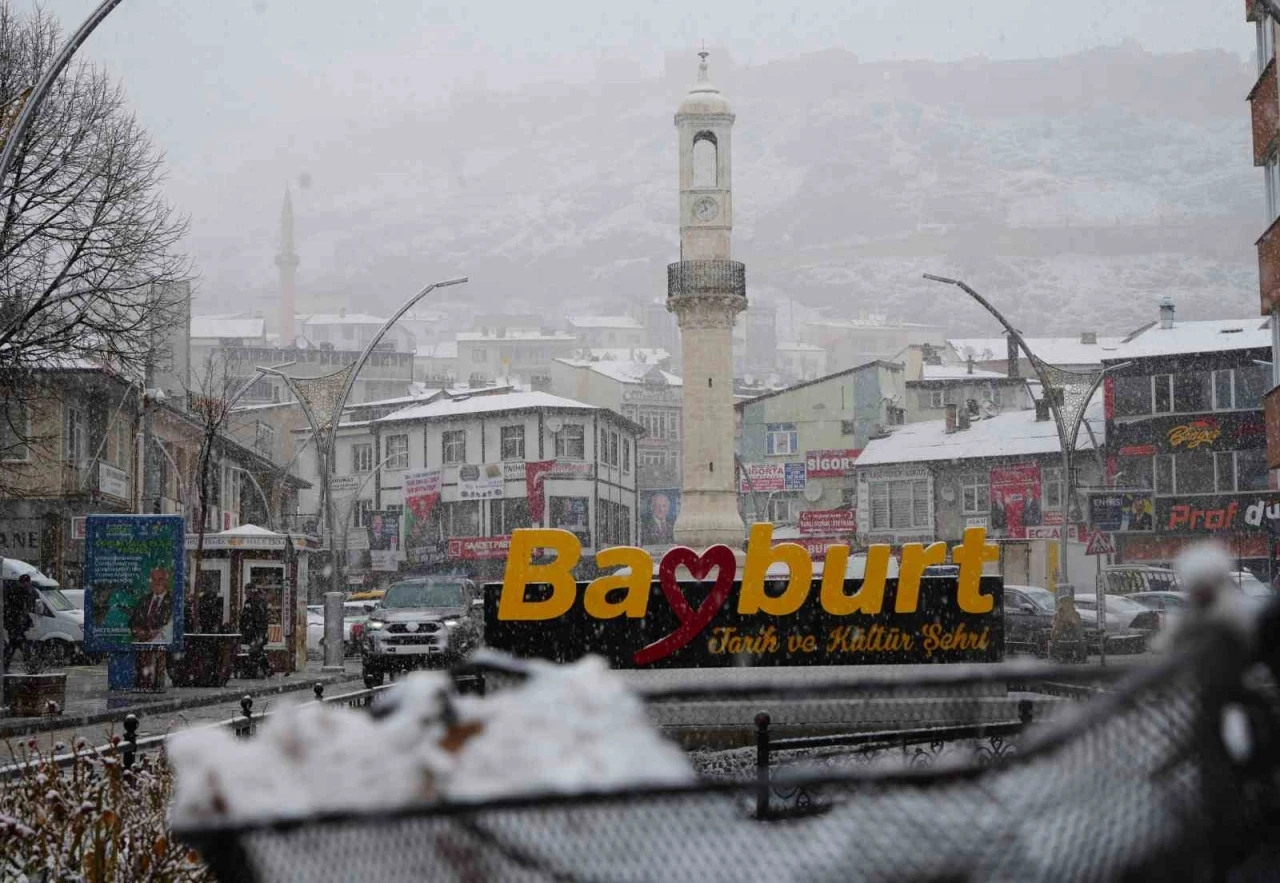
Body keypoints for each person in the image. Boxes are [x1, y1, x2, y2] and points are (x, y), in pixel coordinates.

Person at [129, 567, 173, 644]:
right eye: (154, 579)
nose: (156, 582)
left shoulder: (174, 602)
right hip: (141, 647)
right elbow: (132, 623)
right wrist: (137, 631)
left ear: (166, 582)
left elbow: (168, 628)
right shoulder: (143, 600)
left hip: (163, 647)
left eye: (160, 579)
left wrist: (153, 634)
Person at [3, 574, 36, 670]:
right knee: (20, 646)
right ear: (24, 582)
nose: (29, 584)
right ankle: (31, 667)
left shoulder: (20, 592)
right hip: (15, 624)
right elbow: (18, 610)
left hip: (15, 624)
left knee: (13, 646)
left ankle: (5, 666)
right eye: (28, 582)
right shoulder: (18, 593)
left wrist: (27, 621)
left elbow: (23, 610)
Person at [239, 583, 270, 678]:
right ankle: (264, 670)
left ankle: (255, 671)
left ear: (251, 591)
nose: (245, 593)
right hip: (254, 632)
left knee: (255, 651)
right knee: (257, 651)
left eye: (246, 591)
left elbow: (258, 619)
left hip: (256, 632)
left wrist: (258, 633)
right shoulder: (254, 601)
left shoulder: (256, 602)